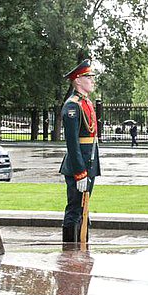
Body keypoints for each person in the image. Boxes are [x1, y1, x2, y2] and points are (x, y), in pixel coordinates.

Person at [59, 60, 101, 245]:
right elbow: (72, 143)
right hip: (80, 165)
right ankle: (69, 251)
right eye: (88, 77)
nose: (92, 80)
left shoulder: (86, 103)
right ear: (77, 80)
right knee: (75, 209)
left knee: (84, 208)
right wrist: (80, 172)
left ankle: (81, 247)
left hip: (89, 161)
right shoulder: (72, 106)